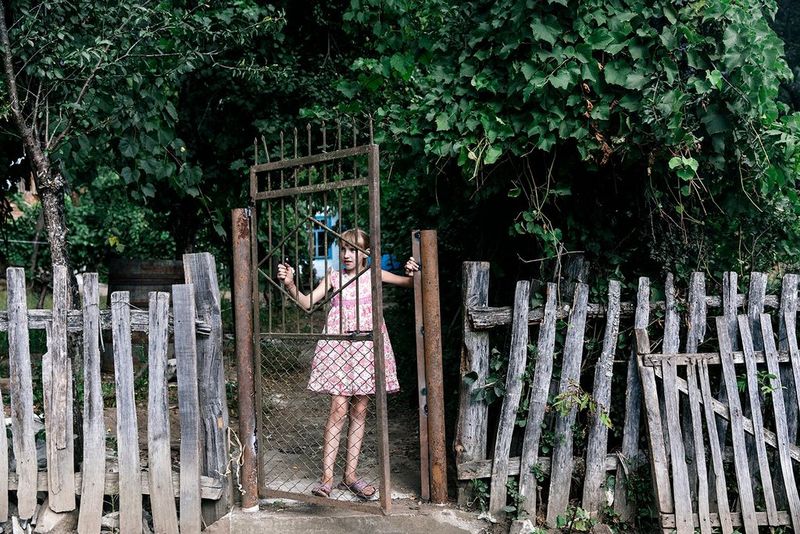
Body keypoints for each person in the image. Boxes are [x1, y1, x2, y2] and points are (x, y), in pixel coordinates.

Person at [277, 228, 418, 500]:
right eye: (343, 249)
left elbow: (410, 284)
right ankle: (327, 479)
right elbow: (307, 303)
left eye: (353, 250)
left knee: (360, 411)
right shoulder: (333, 278)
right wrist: (291, 283)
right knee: (337, 410)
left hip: (367, 348)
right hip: (340, 349)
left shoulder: (373, 274)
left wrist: (414, 270)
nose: (346, 255)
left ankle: (350, 476)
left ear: (365, 253)